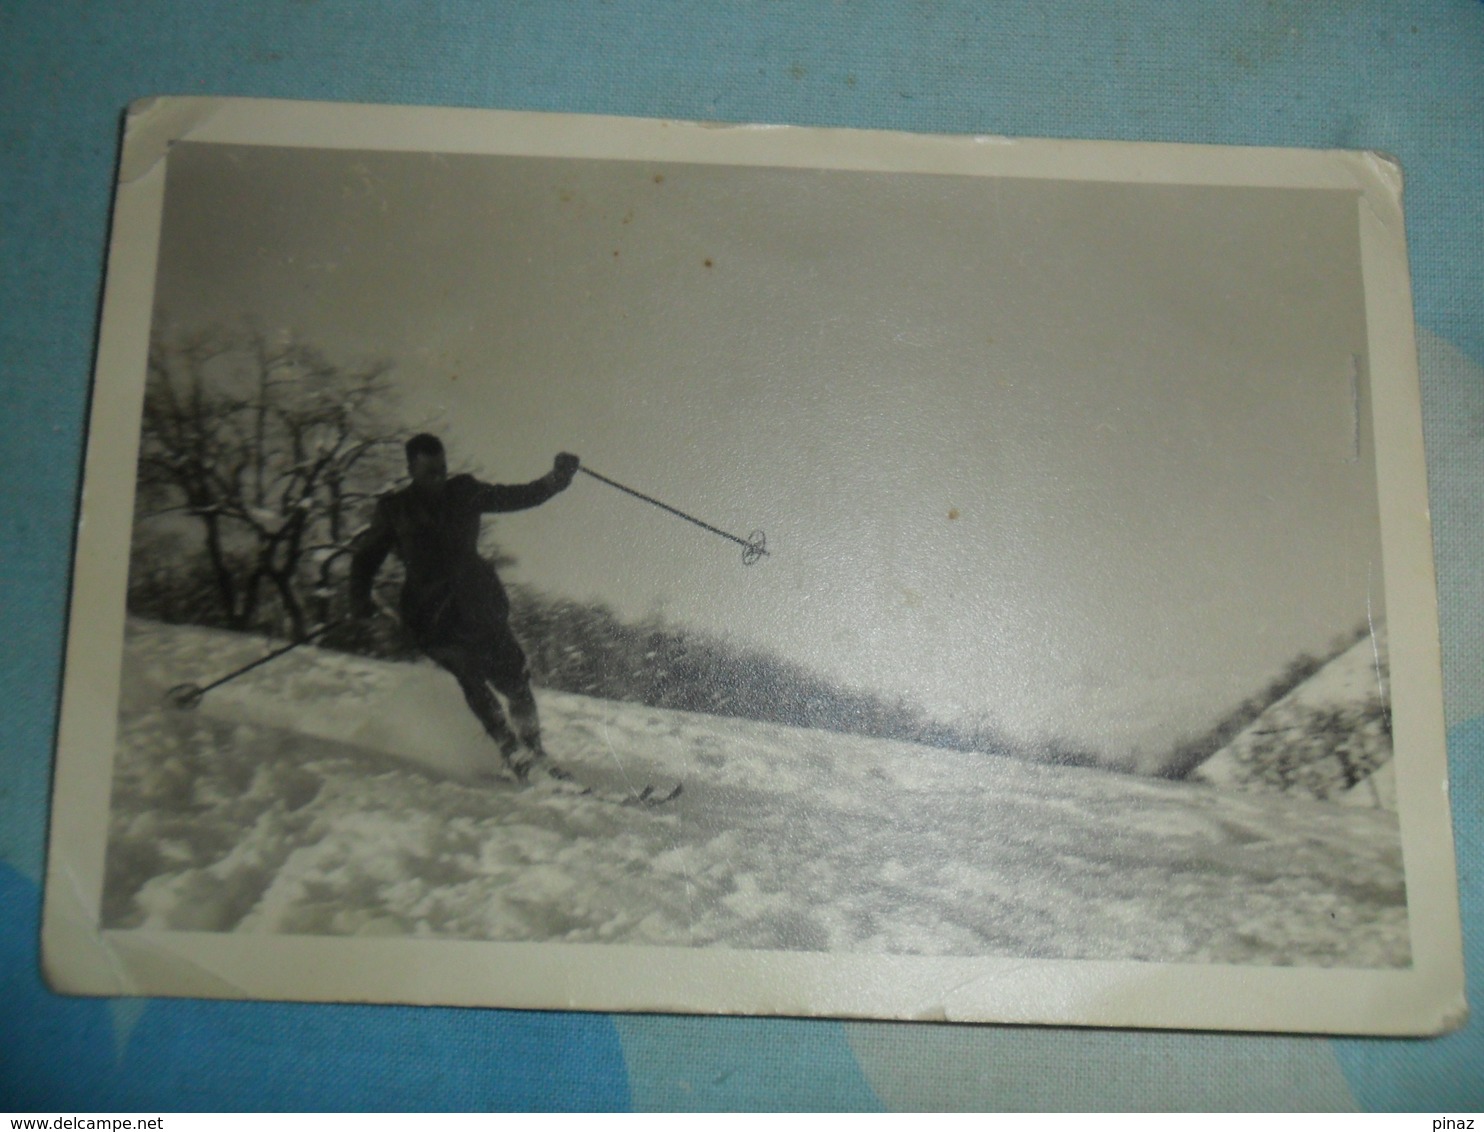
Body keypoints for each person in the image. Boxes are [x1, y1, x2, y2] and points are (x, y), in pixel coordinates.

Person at [349, 433, 580, 778]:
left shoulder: (465, 491)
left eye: (442, 469)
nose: (439, 478)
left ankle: (534, 750)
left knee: (515, 678)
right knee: (468, 671)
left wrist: (556, 480)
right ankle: (510, 751)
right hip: (431, 614)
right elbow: (365, 558)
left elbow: (516, 496)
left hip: (479, 604)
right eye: (430, 472)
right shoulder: (395, 510)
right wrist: (360, 599)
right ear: (412, 469)